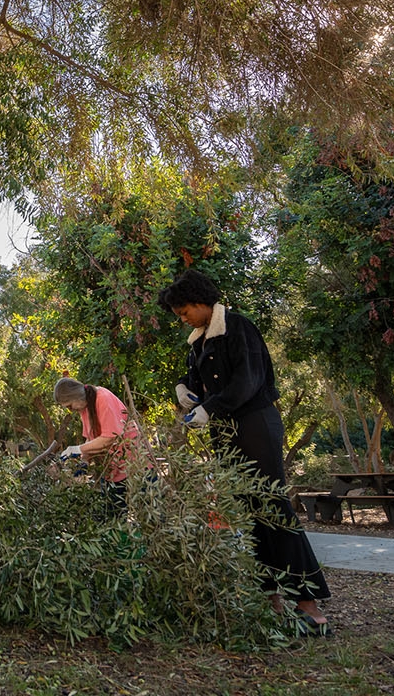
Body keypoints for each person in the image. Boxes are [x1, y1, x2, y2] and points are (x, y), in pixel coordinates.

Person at [157, 269, 332, 636]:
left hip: (255, 427)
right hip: (226, 433)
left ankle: (310, 606)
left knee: (273, 510)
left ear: (202, 302)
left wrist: (210, 407)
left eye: (185, 311)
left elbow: (247, 381)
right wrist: (185, 391)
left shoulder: (237, 328)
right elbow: (198, 383)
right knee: (247, 514)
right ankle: (268, 600)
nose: (183, 319)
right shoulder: (199, 341)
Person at [52, 377, 142, 514]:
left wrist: (76, 449)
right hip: (114, 469)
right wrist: (83, 463)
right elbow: (90, 439)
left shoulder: (102, 398)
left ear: (76, 396)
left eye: (69, 406)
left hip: (135, 465)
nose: (71, 410)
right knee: (111, 516)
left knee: (146, 515)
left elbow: (109, 438)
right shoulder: (85, 408)